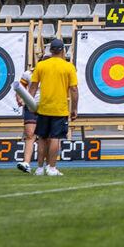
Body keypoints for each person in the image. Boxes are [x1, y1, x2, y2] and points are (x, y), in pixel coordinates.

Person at [28, 38, 79, 177]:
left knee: (42, 138)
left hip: (43, 107)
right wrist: (74, 108)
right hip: (59, 108)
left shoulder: (41, 66)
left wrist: (30, 104)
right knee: (55, 138)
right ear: (63, 51)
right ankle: (51, 168)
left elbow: (33, 86)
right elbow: (74, 89)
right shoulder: (68, 67)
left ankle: (39, 168)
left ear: (50, 50)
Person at [15, 70, 38, 174]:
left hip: (47, 105)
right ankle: (26, 163)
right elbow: (20, 88)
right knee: (30, 134)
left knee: (47, 137)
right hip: (30, 105)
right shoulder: (28, 74)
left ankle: (47, 166)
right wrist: (19, 99)